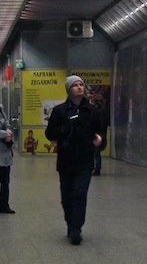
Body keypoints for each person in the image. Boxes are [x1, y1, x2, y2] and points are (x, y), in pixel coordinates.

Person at [45, 74, 106, 244]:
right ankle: (70, 223)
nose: (79, 87)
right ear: (68, 90)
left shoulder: (93, 111)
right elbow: (49, 133)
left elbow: (101, 131)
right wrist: (64, 129)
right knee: (67, 196)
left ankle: (76, 228)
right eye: (75, 85)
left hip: (85, 160)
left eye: (81, 84)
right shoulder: (60, 111)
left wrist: (100, 139)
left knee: (80, 193)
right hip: (66, 160)